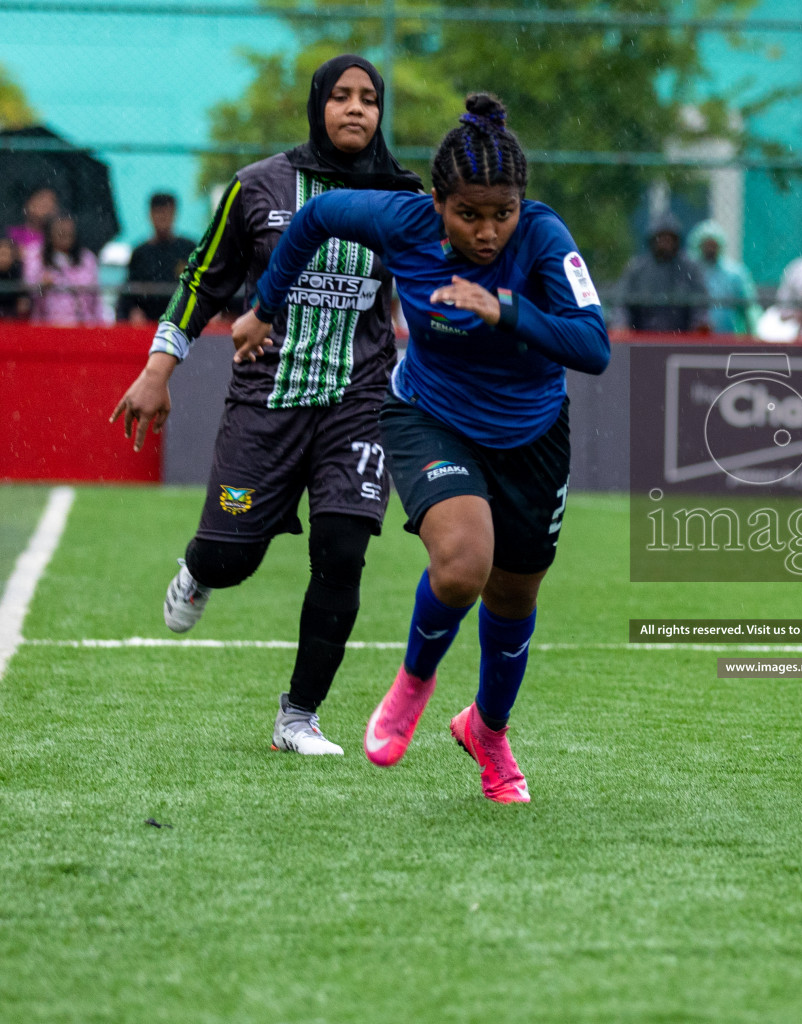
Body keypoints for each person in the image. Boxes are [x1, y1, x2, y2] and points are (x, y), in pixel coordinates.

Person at [232, 93, 610, 804]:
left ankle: (487, 731)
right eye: (469, 214)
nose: (489, 231)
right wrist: (264, 307)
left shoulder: (546, 238)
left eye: (502, 213)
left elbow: (594, 346)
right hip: (429, 416)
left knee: (514, 593)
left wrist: (505, 309)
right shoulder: (399, 221)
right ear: (436, 201)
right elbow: (314, 218)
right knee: (464, 566)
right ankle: (413, 682)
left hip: (532, 434)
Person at [109, 55, 422, 755]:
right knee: (230, 559)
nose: (354, 109)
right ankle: (198, 572)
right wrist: (158, 371)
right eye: (340, 96)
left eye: (368, 99)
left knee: (342, 553)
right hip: (267, 399)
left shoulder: (404, 198)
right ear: (317, 106)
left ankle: (299, 716)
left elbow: (436, 291)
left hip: (361, 400)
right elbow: (202, 281)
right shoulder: (257, 187)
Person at [612, 211, 709, 333]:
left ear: (677, 240)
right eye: (661, 238)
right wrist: (621, 325)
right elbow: (621, 303)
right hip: (642, 337)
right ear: (652, 240)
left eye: (670, 238)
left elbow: (700, 305)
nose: (665, 242)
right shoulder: (636, 268)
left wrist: (699, 325)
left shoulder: (690, 268)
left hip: (683, 337)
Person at [116, 193, 196, 323]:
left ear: (174, 214)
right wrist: (134, 312)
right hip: (148, 323)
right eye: (159, 213)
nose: (163, 218)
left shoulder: (189, 250)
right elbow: (128, 295)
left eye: (167, 212)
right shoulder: (140, 254)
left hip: (183, 323)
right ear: (150, 215)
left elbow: (204, 288)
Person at [25, 212, 102, 325]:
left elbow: (96, 298)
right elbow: (27, 288)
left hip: (82, 325)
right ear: (50, 233)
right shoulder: (35, 255)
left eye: (69, 232)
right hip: (47, 325)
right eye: (60, 231)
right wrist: (41, 285)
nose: (64, 234)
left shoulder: (87, 258)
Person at [686, 218, 758, 335]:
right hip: (695, 337)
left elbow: (749, 308)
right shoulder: (690, 272)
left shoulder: (735, 274)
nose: (710, 249)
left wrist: (753, 334)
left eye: (713, 245)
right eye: (706, 245)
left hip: (727, 337)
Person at [8, 186, 57, 259]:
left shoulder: (58, 239)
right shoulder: (11, 234)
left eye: (51, 200)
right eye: (41, 199)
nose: (46, 204)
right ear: (28, 203)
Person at [0, 236, 29, 318]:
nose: (3, 259)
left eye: (6, 254)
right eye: (1, 254)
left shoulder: (17, 272)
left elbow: (24, 301)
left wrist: (24, 302)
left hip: (12, 319)